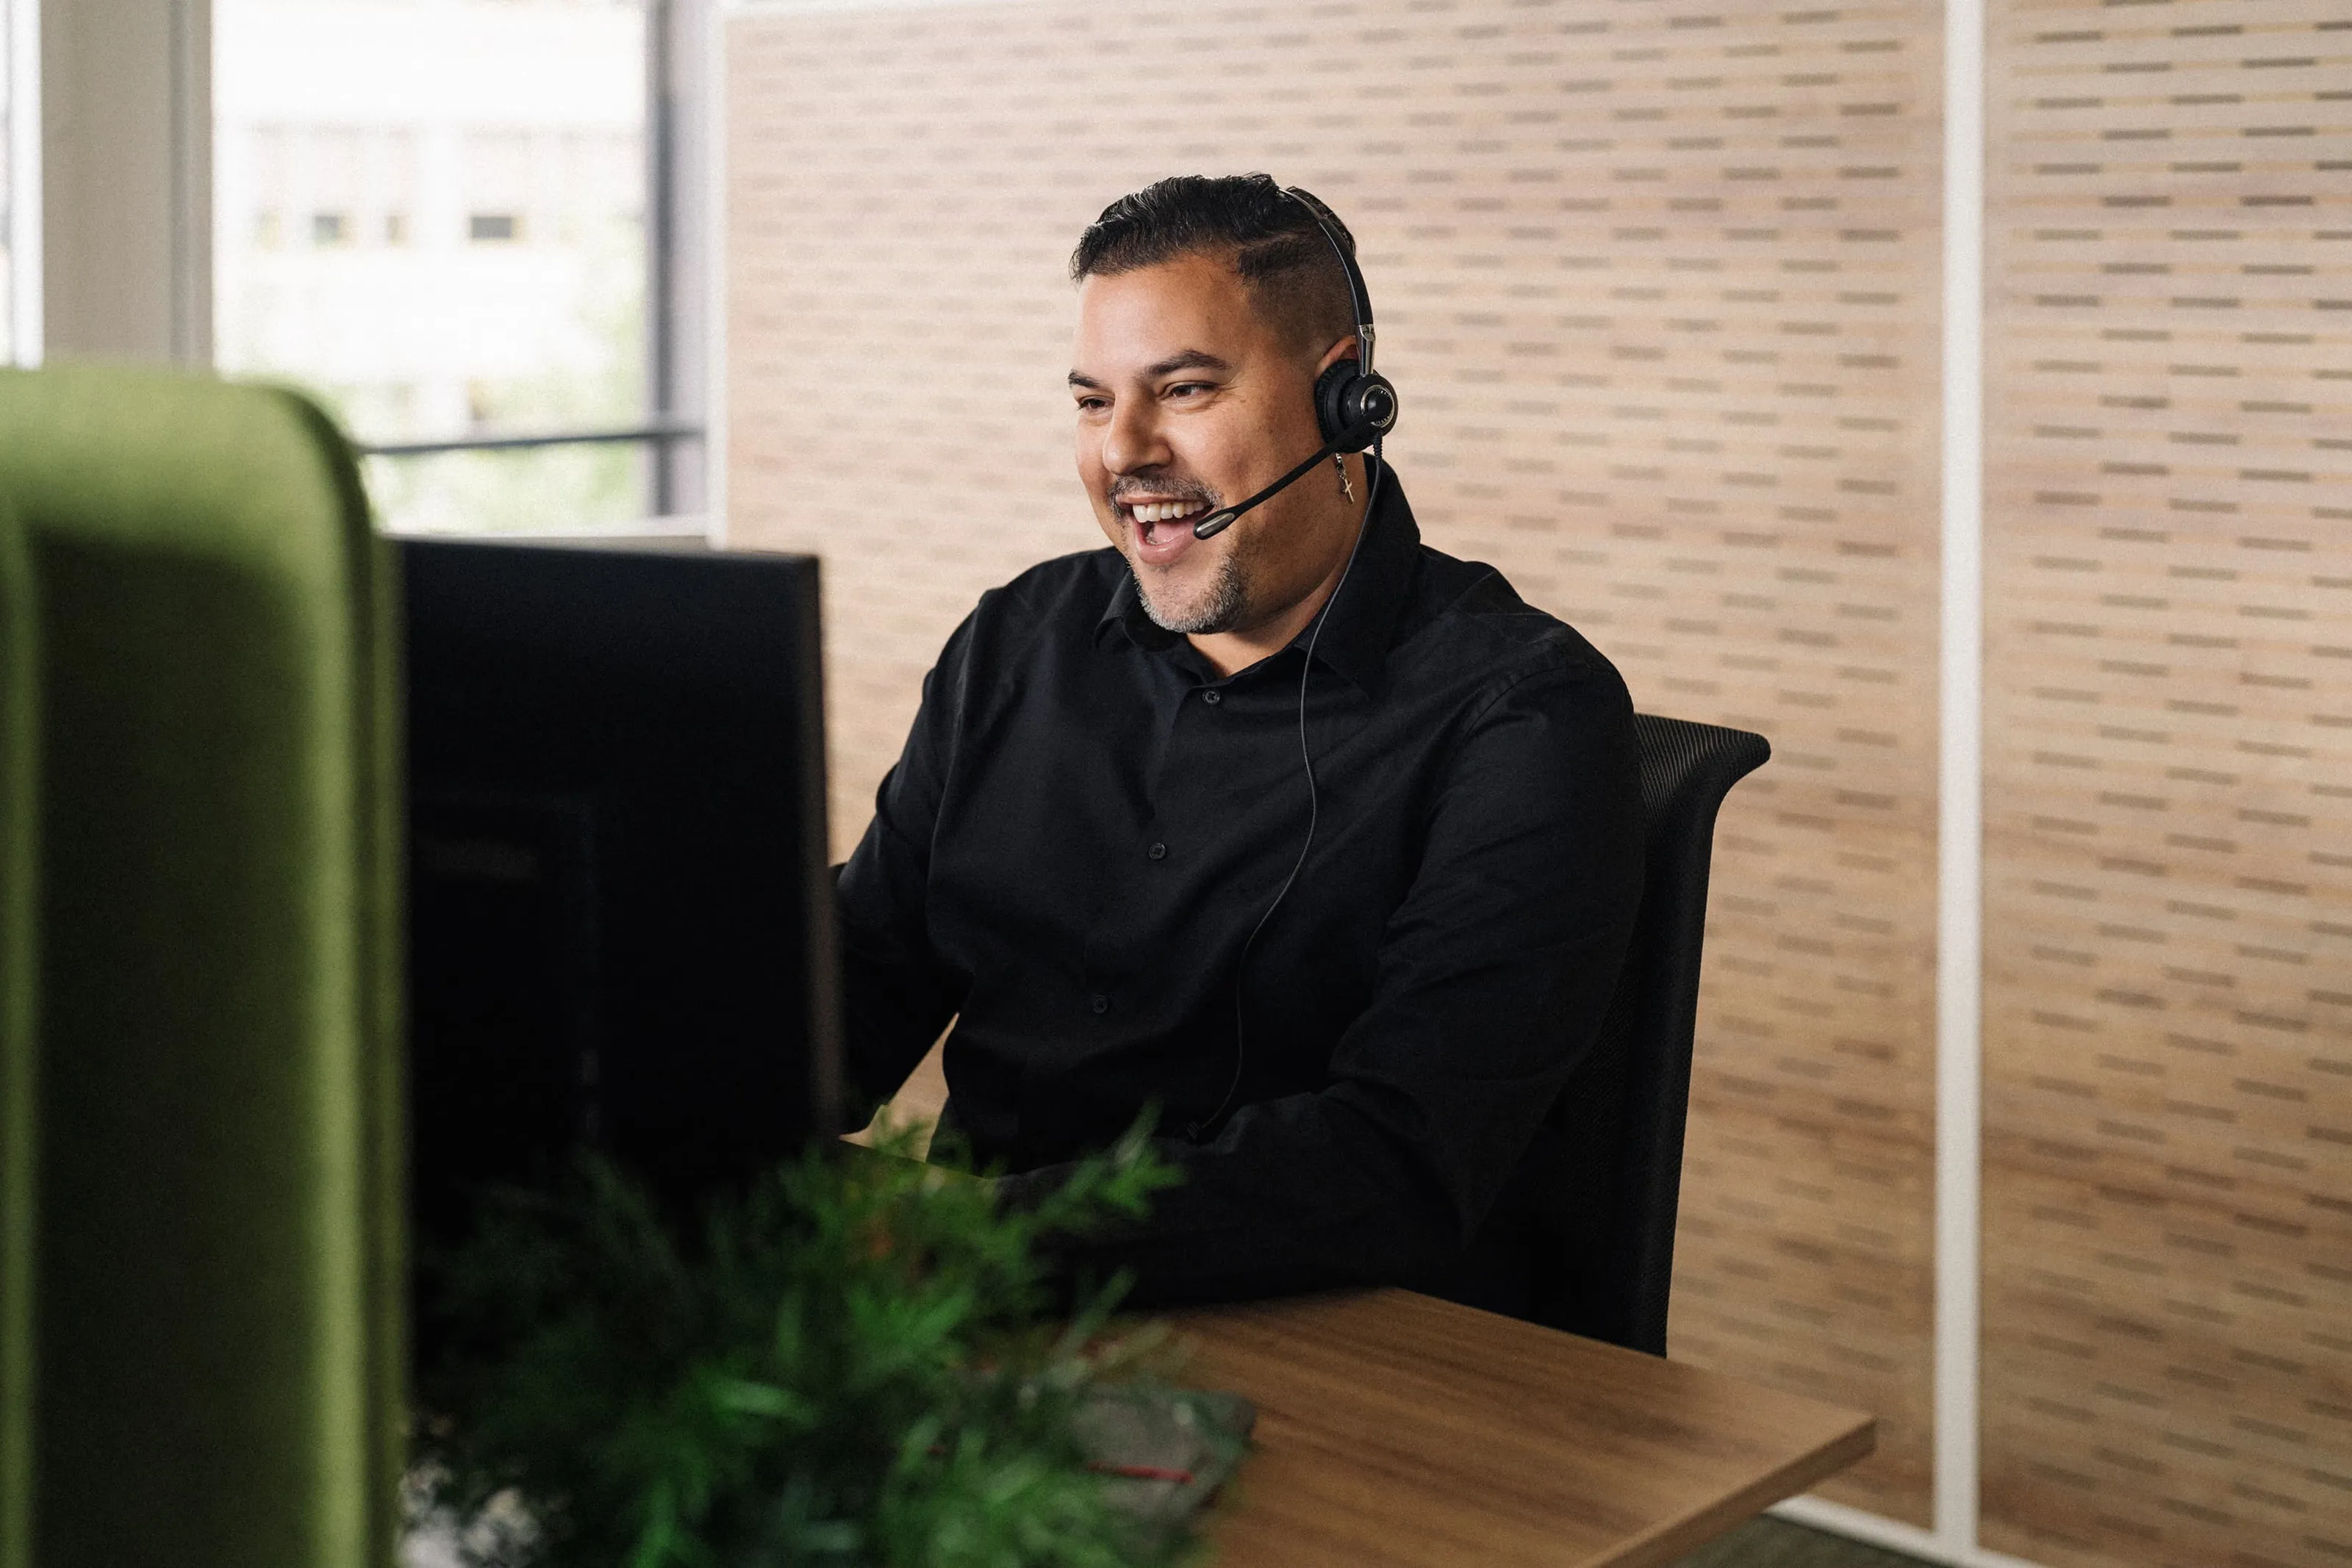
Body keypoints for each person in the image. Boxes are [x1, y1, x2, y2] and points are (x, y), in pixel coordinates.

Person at [835, 173, 1643, 1309]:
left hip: (1336, 1359)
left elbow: (1398, 1160)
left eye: (1183, 389)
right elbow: (855, 988)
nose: (1124, 451)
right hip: (965, 1341)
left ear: (1344, 396)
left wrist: (957, 1238)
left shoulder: (1523, 716)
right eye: (1090, 400)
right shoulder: (1020, 641)